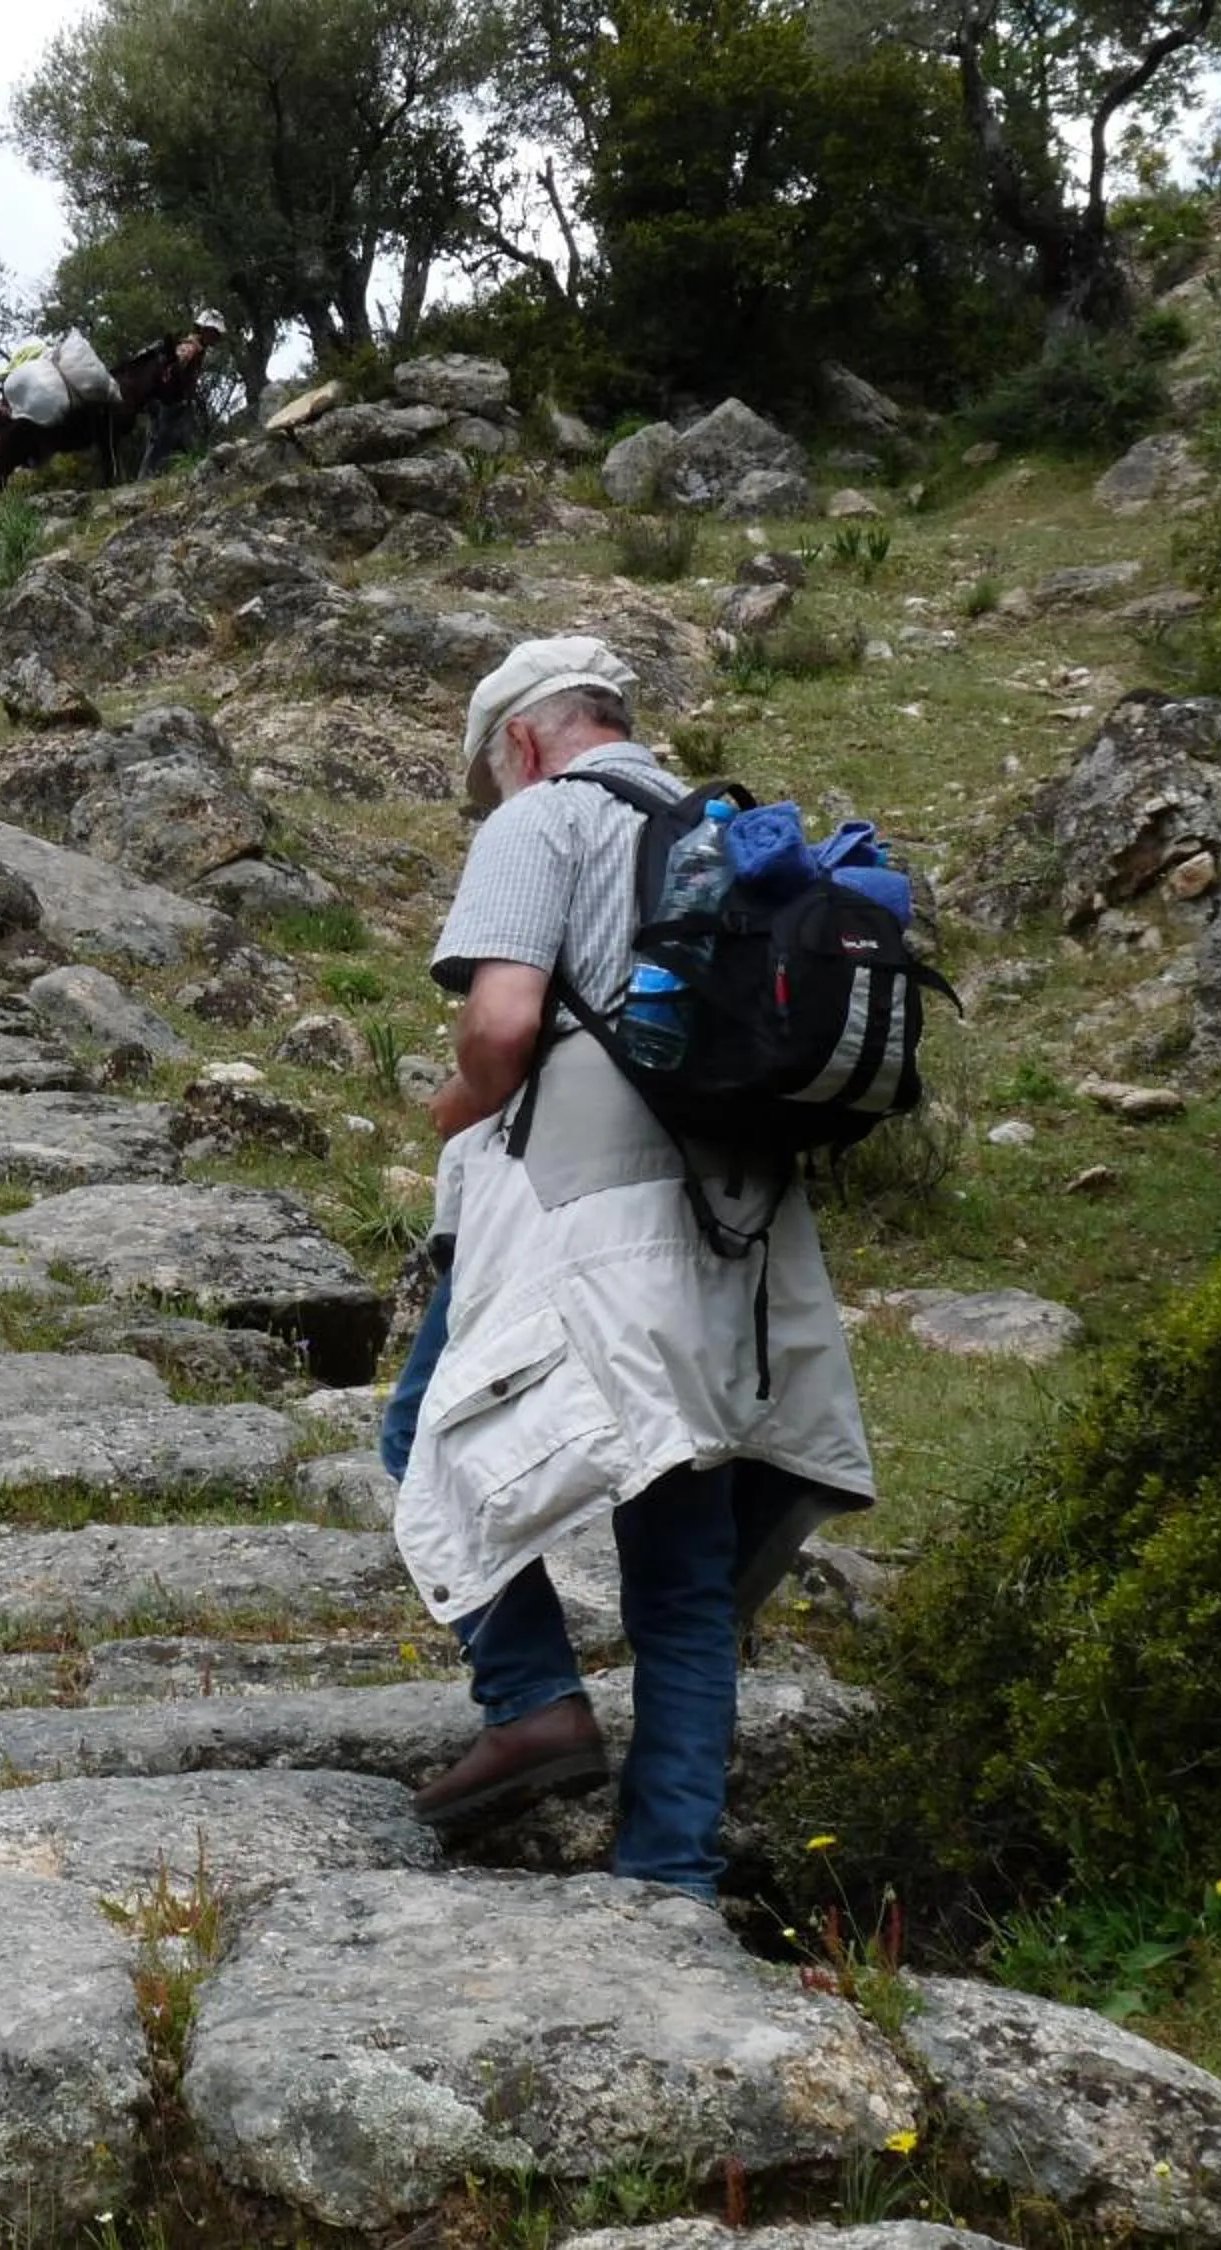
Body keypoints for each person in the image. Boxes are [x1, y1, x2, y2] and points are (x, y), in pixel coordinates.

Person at [395, 635, 877, 1901]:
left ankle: (531, 1701)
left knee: (418, 1429)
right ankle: (670, 1874)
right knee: (683, 1558)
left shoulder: (544, 816)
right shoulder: (720, 827)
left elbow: (504, 1022)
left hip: (583, 1212)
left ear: (521, 739)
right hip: (736, 1222)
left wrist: (454, 1106)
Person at [133, 308, 227, 476]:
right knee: (161, 442)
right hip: (168, 403)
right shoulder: (190, 348)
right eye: (213, 332)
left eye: (216, 333)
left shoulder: (195, 348)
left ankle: (188, 474)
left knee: (172, 441)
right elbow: (171, 371)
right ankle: (145, 480)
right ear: (203, 330)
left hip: (168, 401)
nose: (215, 337)